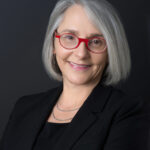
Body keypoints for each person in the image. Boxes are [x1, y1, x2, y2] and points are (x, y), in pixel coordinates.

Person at [0, 0, 149, 150]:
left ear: (110, 50)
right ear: (53, 43)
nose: (81, 53)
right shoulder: (24, 108)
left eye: (96, 41)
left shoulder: (127, 112)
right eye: (70, 37)